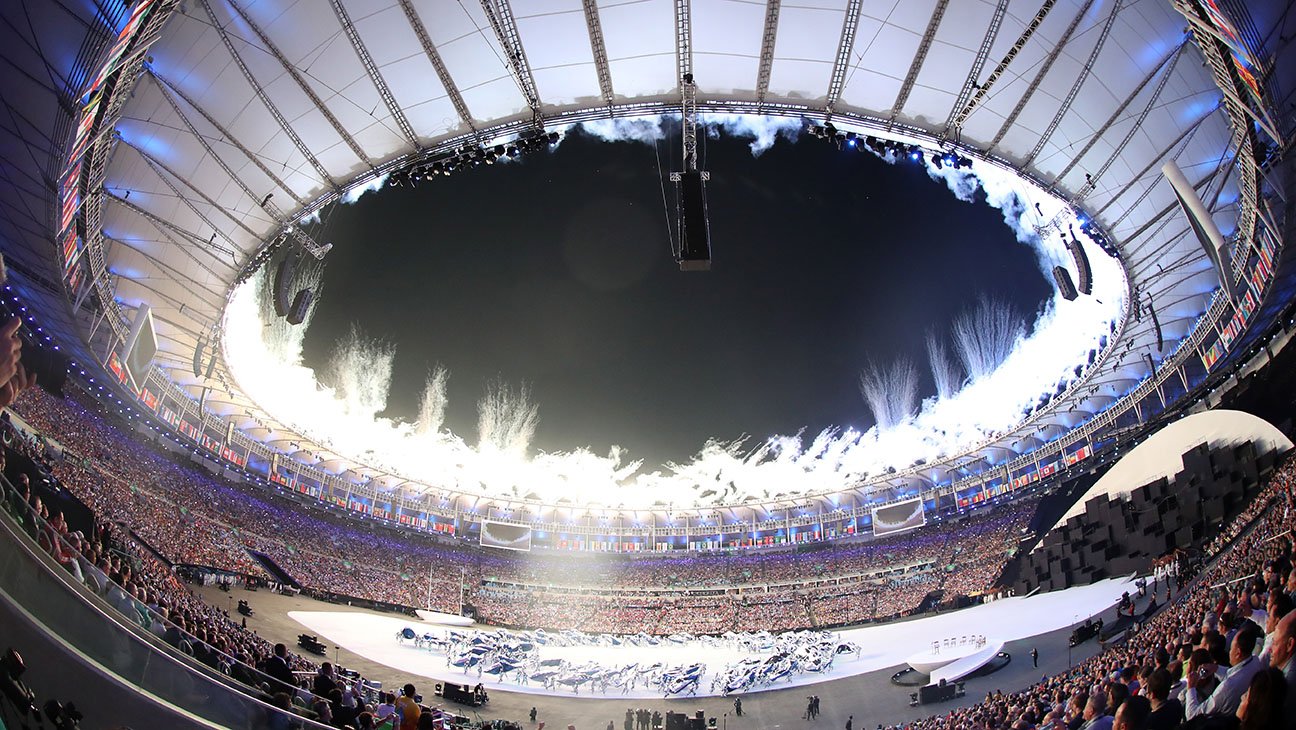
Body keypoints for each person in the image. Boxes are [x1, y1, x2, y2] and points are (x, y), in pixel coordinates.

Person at [1187, 628, 1264, 718]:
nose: (1229, 652)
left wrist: (1191, 688)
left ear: (1238, 653)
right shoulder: (1255, 660)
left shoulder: (1226, 687)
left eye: (1231, 649)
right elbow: (1235, 673)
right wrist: (1216, 668)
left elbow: (1192, 715)